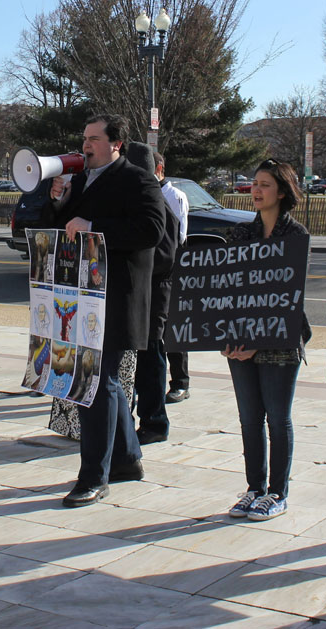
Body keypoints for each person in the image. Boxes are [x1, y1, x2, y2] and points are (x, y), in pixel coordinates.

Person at [42, 114, 165, 507]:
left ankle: (94, 476)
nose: (85, 145)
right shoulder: (79, 182)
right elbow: (63, 230)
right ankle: (126, 459)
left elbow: (151, 230)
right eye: (84, 138)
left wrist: (94, 223)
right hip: (82, 297)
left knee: (95, 383)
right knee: (103, 382)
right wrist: (58, 203)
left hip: (116, 299)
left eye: (94, 139)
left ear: (116, 144)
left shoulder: (137, 179)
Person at [223, 159, 312, 522]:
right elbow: (226, 292)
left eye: (264, 184)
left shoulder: (296, 236)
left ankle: (277, 492)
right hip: (239, 342)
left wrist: (260, 340)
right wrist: (225, 337)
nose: (256, 190)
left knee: (277, 419)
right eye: (253, 183)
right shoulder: (240, 235)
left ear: (282, 191)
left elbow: (289, 298)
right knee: (248, 419)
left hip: (279, 341)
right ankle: (254, 488)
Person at [125, 143, 179, 446]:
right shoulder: (141, 199)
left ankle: (155, 421)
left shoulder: (157, 202)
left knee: (151, 361)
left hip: (153, 297)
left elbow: (165, 256)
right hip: (138, 297)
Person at [158, 153, 193, 403]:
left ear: (159, 168)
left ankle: (180, 382)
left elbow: (178, 237)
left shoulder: (174, 196)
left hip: (170, 270)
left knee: (172, 328)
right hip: (150, 270)